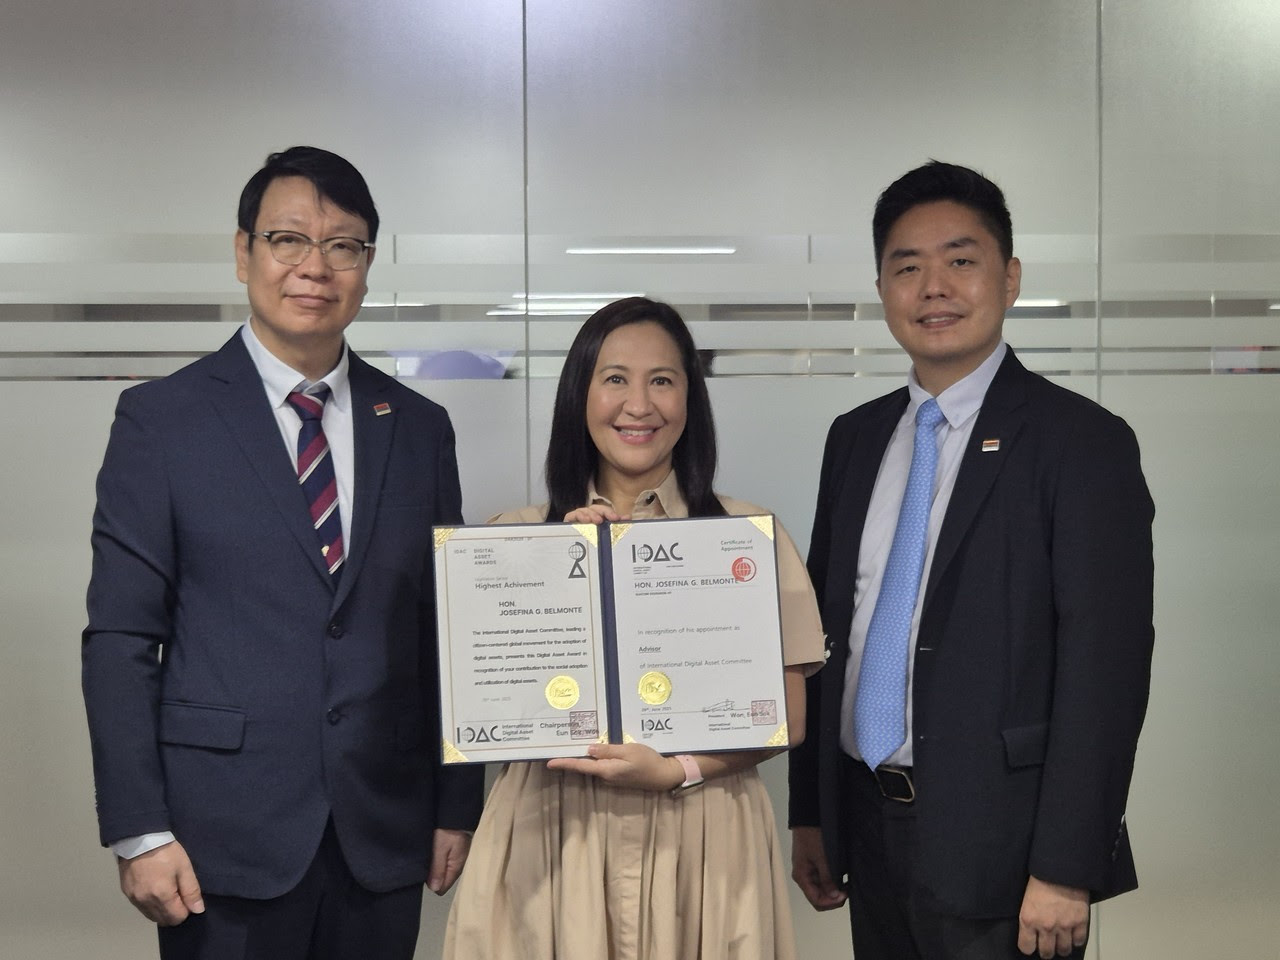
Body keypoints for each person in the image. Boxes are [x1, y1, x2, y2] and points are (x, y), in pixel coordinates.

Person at [81, 146, 484, 960]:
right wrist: (139, 829)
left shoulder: (417, 427)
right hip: (218, 837)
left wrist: (456, 803)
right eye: (288, 240)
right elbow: (121, 638)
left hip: (381, 830)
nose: (315, 267)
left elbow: (443, 630)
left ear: (368, 264)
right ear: (244, 252)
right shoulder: (162, 421)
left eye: (343, 246)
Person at [787, 161, 1155, 960]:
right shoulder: (855, 438)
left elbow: (1107, 670)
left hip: (1008, 852)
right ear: (882, 287)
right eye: (907, 267)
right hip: (866, 827)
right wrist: (810, 811)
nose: (934, 287)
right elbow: (824, 635)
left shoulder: (1081, 442)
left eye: (961, 260)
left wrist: (1066, 868)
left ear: (1009, 277)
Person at [443, 297, 825, 960]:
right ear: (580, 395)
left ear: (690, 399)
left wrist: (679, 769)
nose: (639, 405)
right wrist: (553, 572)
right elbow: (487, 707)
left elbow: (787, 717)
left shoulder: (745, 539)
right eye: (615, 378)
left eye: (663, 380)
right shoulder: (512, 539)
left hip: (704, 833)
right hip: (551, 832)